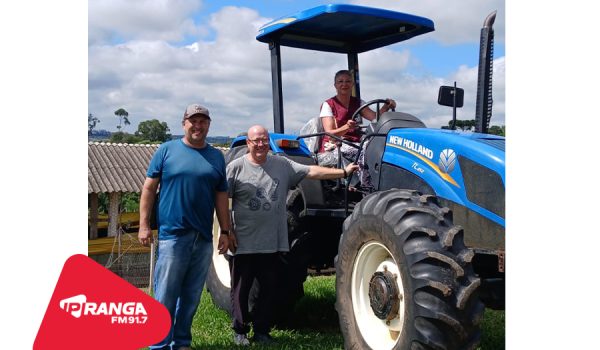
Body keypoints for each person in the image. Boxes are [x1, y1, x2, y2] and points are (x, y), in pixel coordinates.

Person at [226, 125, 358, 346]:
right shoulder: (236, 167)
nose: (260, 144)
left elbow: (311, 172)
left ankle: (261, 330)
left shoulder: (281, 164)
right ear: (248, 143)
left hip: (272, 240)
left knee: (270, 287)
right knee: (241, 288)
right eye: (255, 140)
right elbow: (221, 198)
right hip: (244, 240)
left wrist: (343, 172)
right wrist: (226, 230)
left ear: (267, 142)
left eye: (263, 140)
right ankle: (240, 330)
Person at [138, 103, 231, 350]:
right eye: (193, 121)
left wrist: (225, 230)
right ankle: (158, 345)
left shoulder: (216, 157)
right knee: (165, 296)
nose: (198, 126)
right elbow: (149, 188)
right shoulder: (167, 150)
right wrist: (144, 225)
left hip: (202, 239)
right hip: (172, 237)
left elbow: (221, 195)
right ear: (184, 123)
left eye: (203, 121)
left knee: (191, 297)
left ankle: (181, 342)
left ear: (208, 125)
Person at [319, 69, 396, 191]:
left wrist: (386, 106)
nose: (344, 84)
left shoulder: (358, 102)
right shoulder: (328, 104)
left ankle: (386, 182)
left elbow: (375, 118)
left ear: (352, 85)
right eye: (340, 81)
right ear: (335, 85)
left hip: (356, 142)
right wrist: (346, 127)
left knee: (378, 146)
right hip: (336, 144)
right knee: (364, 149)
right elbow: (329, 133)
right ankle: (366, 187)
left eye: (348, 81)